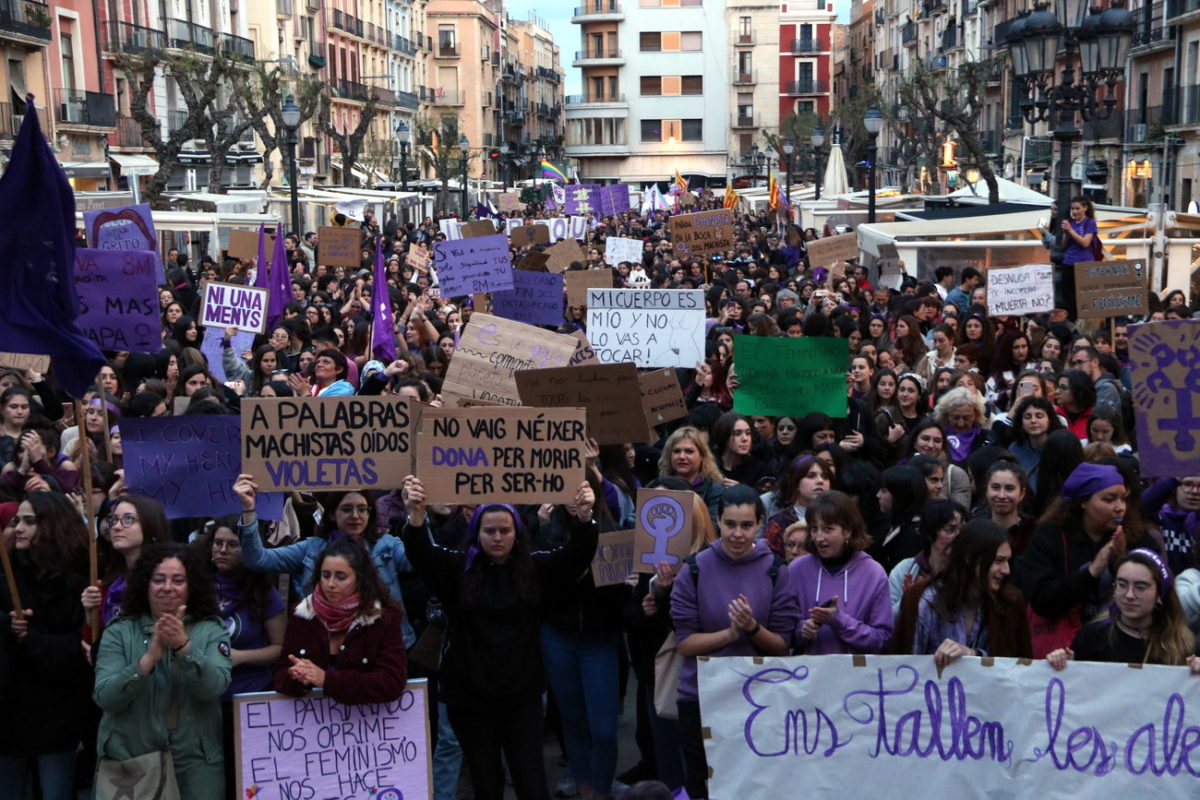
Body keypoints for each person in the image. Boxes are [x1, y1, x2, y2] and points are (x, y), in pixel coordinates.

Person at [400, 476, 598, 800]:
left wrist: (585, 517)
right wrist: (416, 515)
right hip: (470, 698)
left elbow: (575, 557)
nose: (497, 538)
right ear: (476, 533)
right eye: (489, 531)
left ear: (517, 533)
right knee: (486, 783)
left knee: (531, 782)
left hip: (521, 697)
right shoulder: (458, 570)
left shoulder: (535, 568)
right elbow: (423, 554)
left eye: (504, 531)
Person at [670, 485, 798, 799]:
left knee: (756, 782)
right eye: (730, 525)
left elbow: (782, 646)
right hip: (701, 696)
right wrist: (729, 634)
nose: (737, 534)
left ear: (759, 525)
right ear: (717, 521)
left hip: (759, 697)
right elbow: (685, 644)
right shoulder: (694, 570)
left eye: (746, 525)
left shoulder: (776, 570)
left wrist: (752, 628)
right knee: (702, 781)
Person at [92, 543, 232, 797]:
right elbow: (105, 697)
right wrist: (146, 661)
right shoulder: (119, 632)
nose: (167, 588)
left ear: (192, 587)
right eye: (159, 580)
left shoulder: (212, 629)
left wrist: (184, 648)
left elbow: (214, 687)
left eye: (178, 580)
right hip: (133, 761)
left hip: (196, 764)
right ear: (145, 584)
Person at [233, 476, 417, 648]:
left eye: (362, 509)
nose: (355, 515)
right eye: (347, 509)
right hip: (327, 649)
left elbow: (419, 562)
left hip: (385, 648)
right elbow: (257, 560)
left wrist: (415, 515)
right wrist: (249, 510)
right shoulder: (311, 548)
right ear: (331, 514)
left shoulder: (387, 545)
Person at [0, 493, 93, 800]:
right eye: (17, 521)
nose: (20, 528)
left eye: (30, 521)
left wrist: (32, 640)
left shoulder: (77, 580)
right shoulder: (8, 571)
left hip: (56, 712)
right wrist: (7, 623)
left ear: (51, 525)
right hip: (10, 710)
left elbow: (79, 648)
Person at [1019, 462, 1154, 657]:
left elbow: (1158, 588)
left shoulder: (1135, 536)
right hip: (1063, 652)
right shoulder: (1050, 535)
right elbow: (1042, 600)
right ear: (1083, 502)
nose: (1119, 508)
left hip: (1119, 648)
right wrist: (1092, 572)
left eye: (1123, 499)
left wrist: (1123, 562)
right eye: (1109, 499)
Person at [204, 517, 285, 790]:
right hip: (204, 700)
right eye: (218, 543)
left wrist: (240, 657)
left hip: (247, 700)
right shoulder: (195, 586)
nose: (222, 550)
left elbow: (279, 648)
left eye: (232, 545)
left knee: (242, 781)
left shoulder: (265, 593)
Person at [274, 538, 408, 702]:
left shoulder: (383, 618)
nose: (330, 584)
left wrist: (326, 680)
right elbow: (281, 678)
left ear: (359, 579)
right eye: (325, 575)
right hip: (312, 723)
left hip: (368, 722)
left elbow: (391, 683)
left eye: (341, 577)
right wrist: (297, 677)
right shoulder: (301, 615)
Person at [893, 520, 1031, 663]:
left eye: (1008, 561)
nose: (1006, 570)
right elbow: (905, 669)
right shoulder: (922, 600)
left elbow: (1019, 668)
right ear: (969, 557)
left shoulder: (1010, 602)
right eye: (998, 561)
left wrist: (974, 655)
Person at [1047, 550, 1200, 670]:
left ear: (1160, 595)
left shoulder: (1182, 645)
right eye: (1122, 584)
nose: (1129, 595)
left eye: (1140, 587)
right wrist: (1061, 664)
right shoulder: (1092, 636)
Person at [790, 490, 893, 655]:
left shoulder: (873, 573)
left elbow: (882, 640)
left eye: (828, 529)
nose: (819, 537)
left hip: (855, 677)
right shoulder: (796, 570)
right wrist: (802, 631)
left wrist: (840, 621)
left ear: (848, 531)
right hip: (806, 677)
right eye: (814, 529)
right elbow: (782, 635)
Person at [81, 495, 172, 633]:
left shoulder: (165, 582)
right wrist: (91, 614)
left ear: (151, 525)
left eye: (128, 519)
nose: (116, 527)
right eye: (114, 520)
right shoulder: (109, 584)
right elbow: (92, 645)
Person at [888, 499, 965, 615]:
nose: (959, 536)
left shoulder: (969, 571)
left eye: (963, 529)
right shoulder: (904, 570)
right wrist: (909, 600)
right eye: (950, 530)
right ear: (930, 534)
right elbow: (888, 621)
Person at [763, 454, 833, 556]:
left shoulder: (838, 520)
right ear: (796, 483)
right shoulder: (779, 523)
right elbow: (772, 563)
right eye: (811, 476)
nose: (820, 481)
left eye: (825, 477)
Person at [657, 426, 725, 523]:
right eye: (676, 451)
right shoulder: (657, 487)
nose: (681, 456)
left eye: (689, 451)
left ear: (702, 456)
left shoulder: (715, 491)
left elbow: (713, 528)